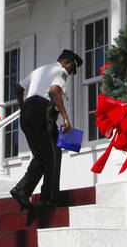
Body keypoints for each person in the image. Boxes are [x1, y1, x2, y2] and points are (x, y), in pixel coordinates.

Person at [9, 49, 83, 221]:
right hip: (41, 111)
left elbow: (19, 87)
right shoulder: (60, 71)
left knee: (43, 155)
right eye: (72, 69)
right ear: (67, 62)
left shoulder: (40, 70)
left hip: (28, 112)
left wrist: (23, 107)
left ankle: (23, 190)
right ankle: (46, 200)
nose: (70, 73)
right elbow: (54, 91)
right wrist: (65, 118)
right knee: (52, 156)